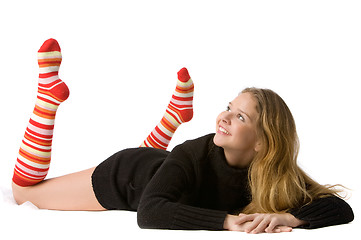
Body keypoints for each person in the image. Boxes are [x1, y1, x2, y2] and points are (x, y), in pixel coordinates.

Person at [11, 39, 354, 234]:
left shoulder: (276, 173)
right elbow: (150, 213)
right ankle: (46, 100)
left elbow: (340, 208)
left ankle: (174, 115)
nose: (224, 117)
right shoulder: (195, 152)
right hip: (125, 177)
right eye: (228, 107)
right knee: (24, 190)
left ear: (262, 143)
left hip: (158, 164)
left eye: (239, 116)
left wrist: (290, 217)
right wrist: (227, 221)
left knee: (156, 159)